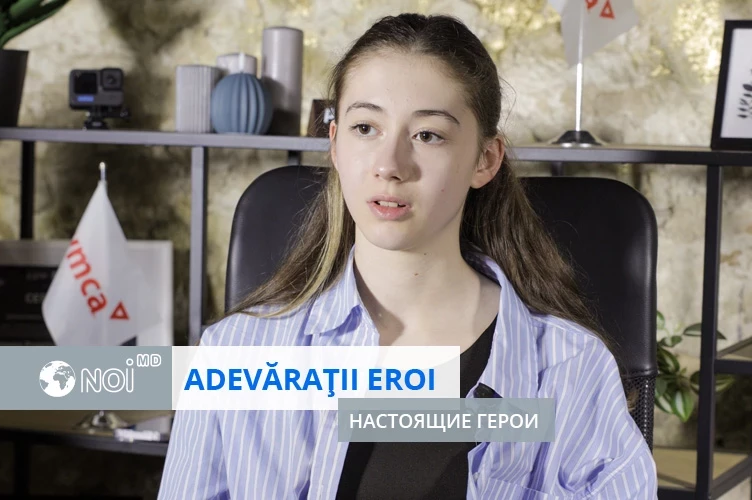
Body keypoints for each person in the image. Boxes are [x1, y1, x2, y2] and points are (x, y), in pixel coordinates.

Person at [158, 13, 657, 500]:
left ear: (485, 160)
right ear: (334, 145)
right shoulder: (233, 352)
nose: (390, 165)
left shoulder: (571, 368)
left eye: (428, 135)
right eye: (365, 128)